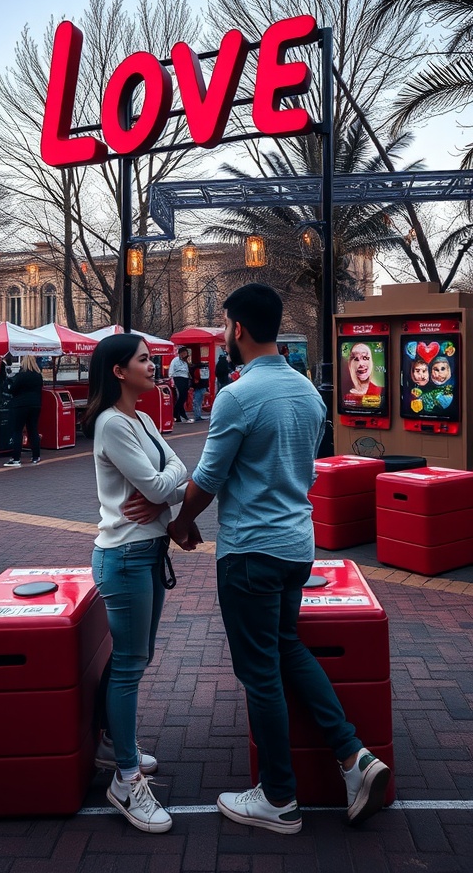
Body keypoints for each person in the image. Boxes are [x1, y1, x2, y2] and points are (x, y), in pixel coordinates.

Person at [168, 283, 390, 835]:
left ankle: (279, 798)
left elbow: (209, 479)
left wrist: (180, 521)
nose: (223, 334)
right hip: (297, 547)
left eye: (224, 326)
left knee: (259, 672)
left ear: (237, 329)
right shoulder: (309, 394)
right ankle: (353, 757)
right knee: (285, 645)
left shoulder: (237, 397)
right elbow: (308, 471)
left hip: (251, 552)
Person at [84, 334, 199, 833]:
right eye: (145, 360)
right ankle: (125, 779)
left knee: (136, 657)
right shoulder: (112, 424)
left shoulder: (145, 420)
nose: (156, 367)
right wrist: (167, 485)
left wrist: (166, 483)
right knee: (131, 664)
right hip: (126, 554)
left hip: (147, 551)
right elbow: (158, 485)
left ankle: (113, 744)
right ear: (118, 371)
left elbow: (175, 469)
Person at [3, 355, 43, 467]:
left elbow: (13, 389)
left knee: (17, 431)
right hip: (35, 405)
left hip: (20, 405)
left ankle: (16, 459)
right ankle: (36, 456)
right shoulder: (38, 375)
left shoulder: (21, 375)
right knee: (33, 430)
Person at [168, 346, 193, 423]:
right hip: (178, 378)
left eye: (186, 353)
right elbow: (171, 369)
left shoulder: (185, 361)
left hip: (185, 379)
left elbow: (187, 371)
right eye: (184, 353)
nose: (185, 354)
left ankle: (179, 415)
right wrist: (171, 379)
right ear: (180, 353)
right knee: (181, 397)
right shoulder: (175, 360)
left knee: (184, 397)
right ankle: (176, 413)